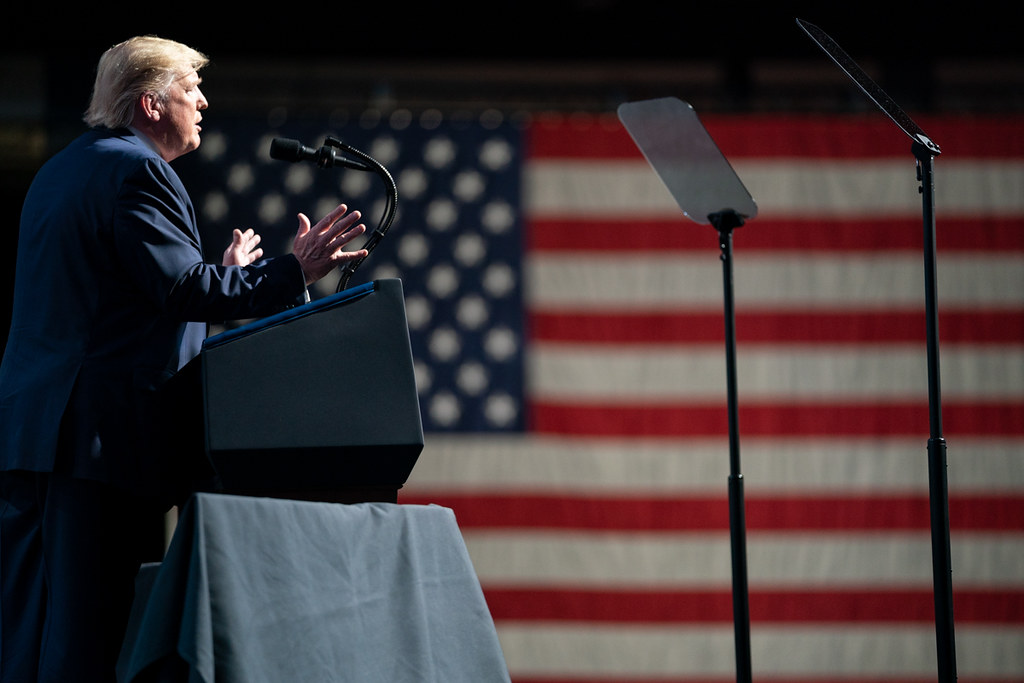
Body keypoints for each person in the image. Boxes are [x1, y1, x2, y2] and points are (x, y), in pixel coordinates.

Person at [0, 35, 368, 682]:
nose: (202, 102)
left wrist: (224, 277)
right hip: (100, 445)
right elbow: (179, 290)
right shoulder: (138, 171)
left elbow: (122, 302)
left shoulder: (61, 169)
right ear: (150, 104)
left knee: (33, 630)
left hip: (39, 438)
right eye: (190, 89)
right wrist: (294, 270)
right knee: (94, 638)